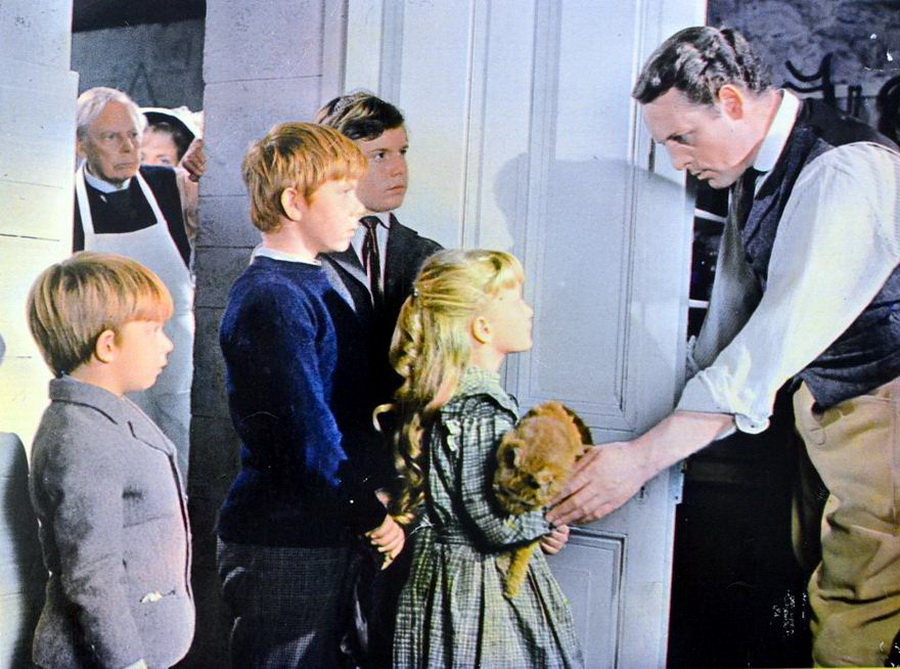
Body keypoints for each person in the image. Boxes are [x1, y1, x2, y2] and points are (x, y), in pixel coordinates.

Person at [548, 26, 900, 667]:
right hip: (828, 411)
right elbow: (728, 327)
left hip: (885, 411)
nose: (677, 162)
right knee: (818, 592)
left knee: (857, 614)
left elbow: (769, 344)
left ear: (732, 102)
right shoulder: (754, 171)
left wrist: (641, 459)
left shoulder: (844, 169)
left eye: (681, 138)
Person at [216, 122, 405, 668]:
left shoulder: (312, 283)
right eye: (343, 192)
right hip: (285, 541)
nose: (358, 207)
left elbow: (348, 412)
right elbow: (308, 438)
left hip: (323, 529)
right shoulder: (272, 297)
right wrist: (370, 514)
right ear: (294, 202)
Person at [386, 249, 583, 668]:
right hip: (477, 586)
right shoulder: (481, 408)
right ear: (482, 327)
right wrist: (546, 521)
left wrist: (537, 529)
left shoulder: (451, 395)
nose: (528, 310)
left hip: (442, 575)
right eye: (516, 300)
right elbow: (493, 524)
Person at [26, 251, 193, 669]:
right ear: (107, 345)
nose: (168, 344)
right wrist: (128, 662)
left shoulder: (106, 414)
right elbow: (92, 574)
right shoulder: (82, 435)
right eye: (153, 330)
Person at [73, 87, 196, 479]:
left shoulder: (166, 185)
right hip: (108, 370)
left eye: (133, 135)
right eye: (112, 137)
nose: (128, 148)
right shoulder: (66, 203)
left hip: (174, 366)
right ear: (80, 145)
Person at [316, 91, 442, 403]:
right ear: (338, 163)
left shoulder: (428, 254)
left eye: (402, 152)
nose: (399, 168)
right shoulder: (309, 251)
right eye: (380, 155)